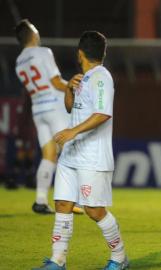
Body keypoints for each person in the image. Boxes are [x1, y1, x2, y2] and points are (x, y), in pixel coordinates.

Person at [33, 31, 129, 270]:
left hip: (93, 157)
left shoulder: (101, 77)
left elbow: (103, 113)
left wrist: (73, 132)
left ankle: (120, 257)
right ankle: (57, 261)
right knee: (63, 204)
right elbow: (70, 109)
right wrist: (68, 90)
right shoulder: (84, 78)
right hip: (71, 155)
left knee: (94, 210)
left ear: (80, 53)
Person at [15, 19, 83, 215]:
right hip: (54, 107)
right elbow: (55, 82)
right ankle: (71, 201)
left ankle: (40, 200)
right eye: (35, 30)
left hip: (38, 109)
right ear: (32, 34)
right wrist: (72, 86)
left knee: (49, 155)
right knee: (70, 150)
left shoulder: (19, 62)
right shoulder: (43, 52)